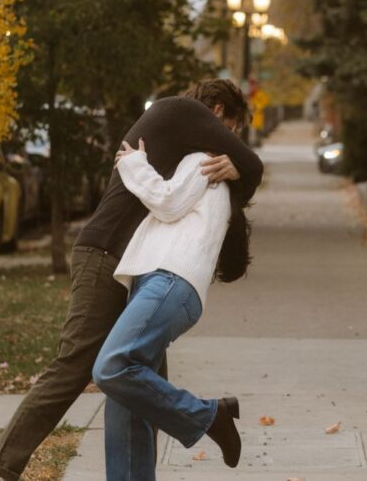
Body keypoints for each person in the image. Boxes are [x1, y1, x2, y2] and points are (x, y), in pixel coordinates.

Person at [0, 80, 262, 481]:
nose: (228, 142)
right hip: (105, 256)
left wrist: (233, 172)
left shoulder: (182, 146)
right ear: (217, 112)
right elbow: (252, 164)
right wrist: (238, 165)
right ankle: (0, 471)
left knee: (137, 390)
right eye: (230, 130)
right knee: (78, 368)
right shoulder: (183, 112)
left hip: (135, 267)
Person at [93, 131, 244, 479]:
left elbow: (167, 201)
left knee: (110, 367)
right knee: (124, 397)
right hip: (159, 283)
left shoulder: (203, 160)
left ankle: (209, 416)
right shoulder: (206, 168)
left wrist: (134, 164)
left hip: (170, 280)